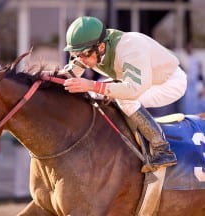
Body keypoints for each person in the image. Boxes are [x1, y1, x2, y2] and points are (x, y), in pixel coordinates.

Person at [62, 16, 187, 172]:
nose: (81, 59)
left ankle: (162, 148)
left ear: (100, 47)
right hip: (142, 81)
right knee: (99, 96)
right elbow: (70, 74)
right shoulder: (92, 50)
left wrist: (92, 85)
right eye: (75, 54)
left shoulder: (130, 48)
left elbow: (133, 90)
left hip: (169, 83)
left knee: (125, 99)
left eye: (84, 54)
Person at [178, 41, 203, 114]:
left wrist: (200, 84)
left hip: (194, 85)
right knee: (185, 103)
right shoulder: (182, 58)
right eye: (188, 47)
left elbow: (199, 74)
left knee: (195, 102)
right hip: (186, 84)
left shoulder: (196, 59)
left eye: (191, 47)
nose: (189, 49)